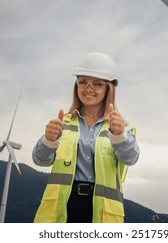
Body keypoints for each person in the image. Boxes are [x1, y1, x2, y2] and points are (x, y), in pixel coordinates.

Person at [33, 52, 140, 223]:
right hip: (62, 207)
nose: (88, 88)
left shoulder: (122, 127)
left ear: (108, 89)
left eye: (97, 84)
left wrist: (119, 136)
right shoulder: (63, 123)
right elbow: (40, 160)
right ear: (76, 86)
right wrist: (48, 140)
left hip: (102, 211)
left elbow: (131, 158)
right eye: (82, 82)